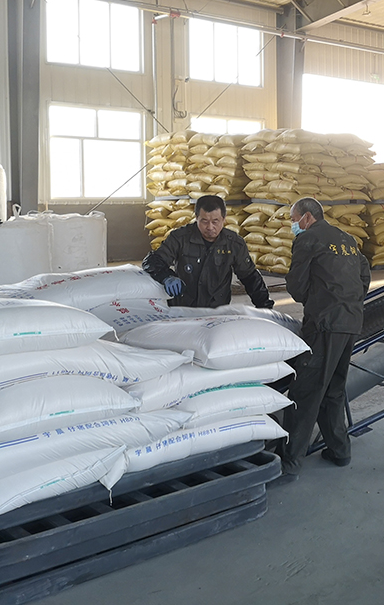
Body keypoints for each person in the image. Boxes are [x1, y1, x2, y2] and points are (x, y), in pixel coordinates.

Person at [277, 197, 370, 481]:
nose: (293, 225)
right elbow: (364, 275)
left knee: (307, 391)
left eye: (294, 220)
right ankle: (339, 451)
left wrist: (317, 300)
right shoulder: (347, 239)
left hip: (325, 325)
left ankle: (290, 462)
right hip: (351, 322)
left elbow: (296, 287)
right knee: (333, 390)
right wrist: (348, 302)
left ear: (307, 217)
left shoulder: (307, 239)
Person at [142, 194, 273, 309]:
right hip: (183, 308)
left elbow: (250, 277)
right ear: (196, 218)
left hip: (217, 311)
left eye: (215, 221)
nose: (210, 227)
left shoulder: (233, 243)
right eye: (204, 221)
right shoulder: (180, 238)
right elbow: (152, 261)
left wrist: (265, 307)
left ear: (224, 219)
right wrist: (166, 277)